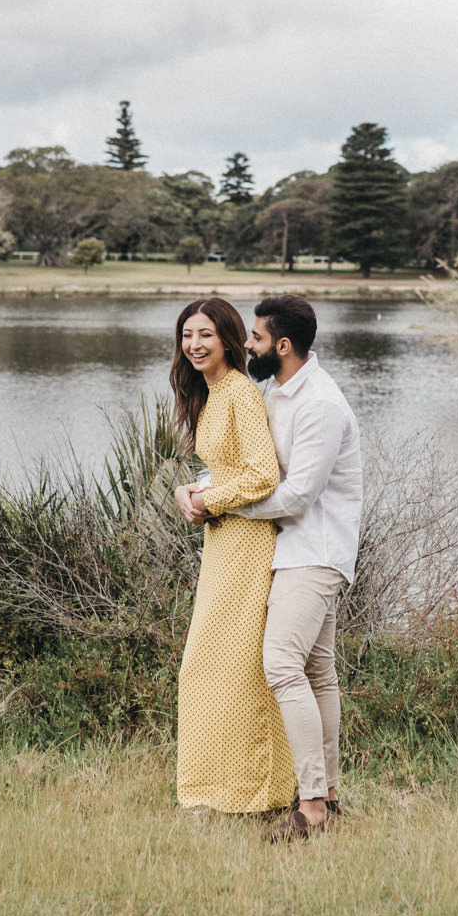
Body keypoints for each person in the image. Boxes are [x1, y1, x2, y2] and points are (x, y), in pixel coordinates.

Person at [185, 294, 362, 842]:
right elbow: (250, 467)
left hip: (315, 552)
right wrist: (209, 489)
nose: (249, 346)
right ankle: (328, 795)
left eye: (256, 338)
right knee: (317, 672)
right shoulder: (279, 392)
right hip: (290, 548)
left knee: (281, 665)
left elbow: (298, 494)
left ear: (282, 345)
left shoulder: (321, 405)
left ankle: (309, 807)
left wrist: (217, 503)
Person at [167, 297, 295, 816]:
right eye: (187, 335)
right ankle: (213, 788)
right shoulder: (211, 393)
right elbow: (226, 468)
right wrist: (189, 492)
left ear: (227, 338)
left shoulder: (240, 392)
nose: (194, 345)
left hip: (247, 544)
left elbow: (264, 475)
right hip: (222, 542)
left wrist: (208, 500)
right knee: (211, 664)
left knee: (232, 665)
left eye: (205, 335)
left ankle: (254, 791)